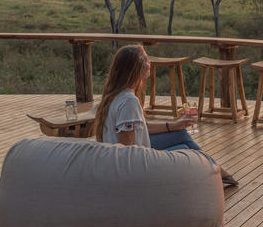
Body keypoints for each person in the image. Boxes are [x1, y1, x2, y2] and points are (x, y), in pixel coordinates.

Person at [94, 44, 238, 186]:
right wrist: (156, 156)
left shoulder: (117, 95)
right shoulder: (128, 101)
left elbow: (142, 128)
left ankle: (216, 170)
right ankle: (214, 173)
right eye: (145, 60)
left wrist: (174, 125)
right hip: (136, 167)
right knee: (187, 151)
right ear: (134, 68)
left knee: (180, 133)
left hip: (137, 155)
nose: (149, 63)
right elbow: (125, 151)